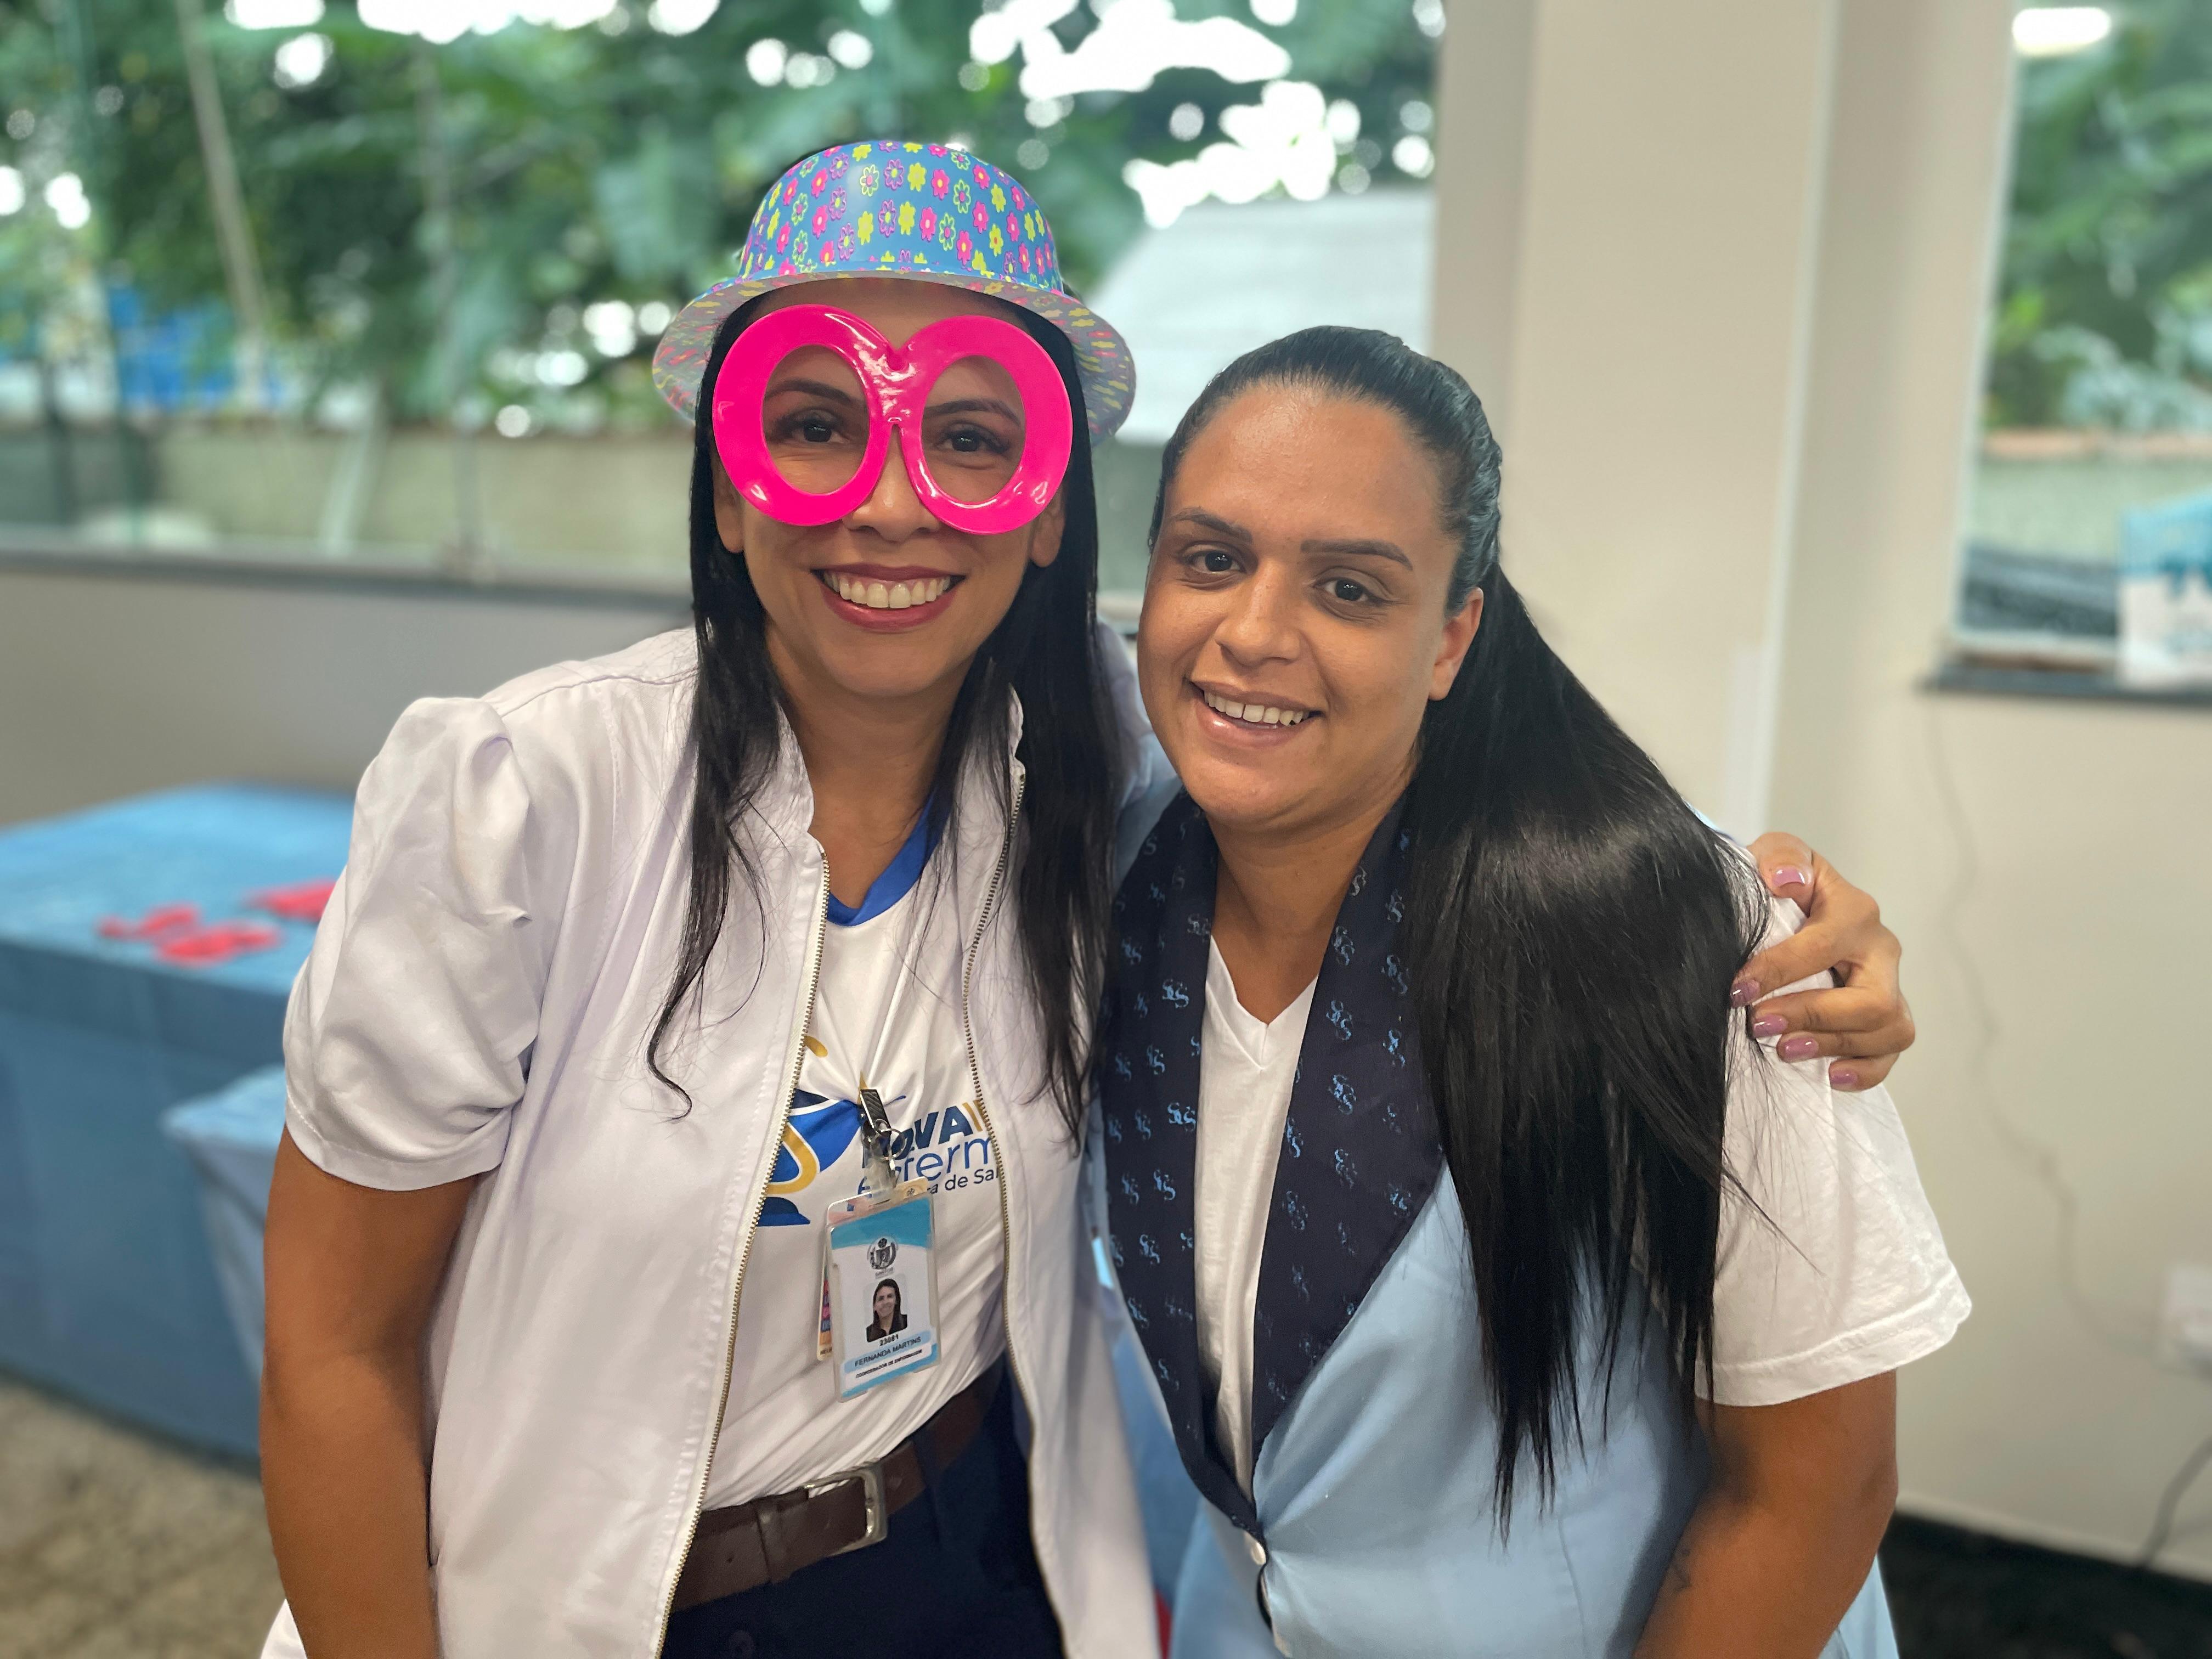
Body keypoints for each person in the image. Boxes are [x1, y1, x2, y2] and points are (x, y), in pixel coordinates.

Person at [255, 144, 1918, 1659]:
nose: (890, 500)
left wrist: (1741, 902)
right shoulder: (522, 802)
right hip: (589, 1607)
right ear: (731, 480)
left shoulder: (1095, 774)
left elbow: (1407, 767)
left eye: (971, 437)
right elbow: (335, 1351)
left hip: (969, 1569)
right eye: (817, 424)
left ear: (1051, 508)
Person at [1096, 327, 1970, 1657]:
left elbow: (1816, 1489)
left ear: (1453, 636)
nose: (1255, 633)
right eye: (1211, 560)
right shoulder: (1120, 872)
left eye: (1349, 589)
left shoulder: (1669, 935)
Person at [869, 1279, 910, 1343]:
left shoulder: (908, 1321)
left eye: (890, 1296)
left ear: (896, 1301)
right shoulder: (868, 1333)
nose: (885, 1302)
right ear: (874, 1306)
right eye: (881, 1299)